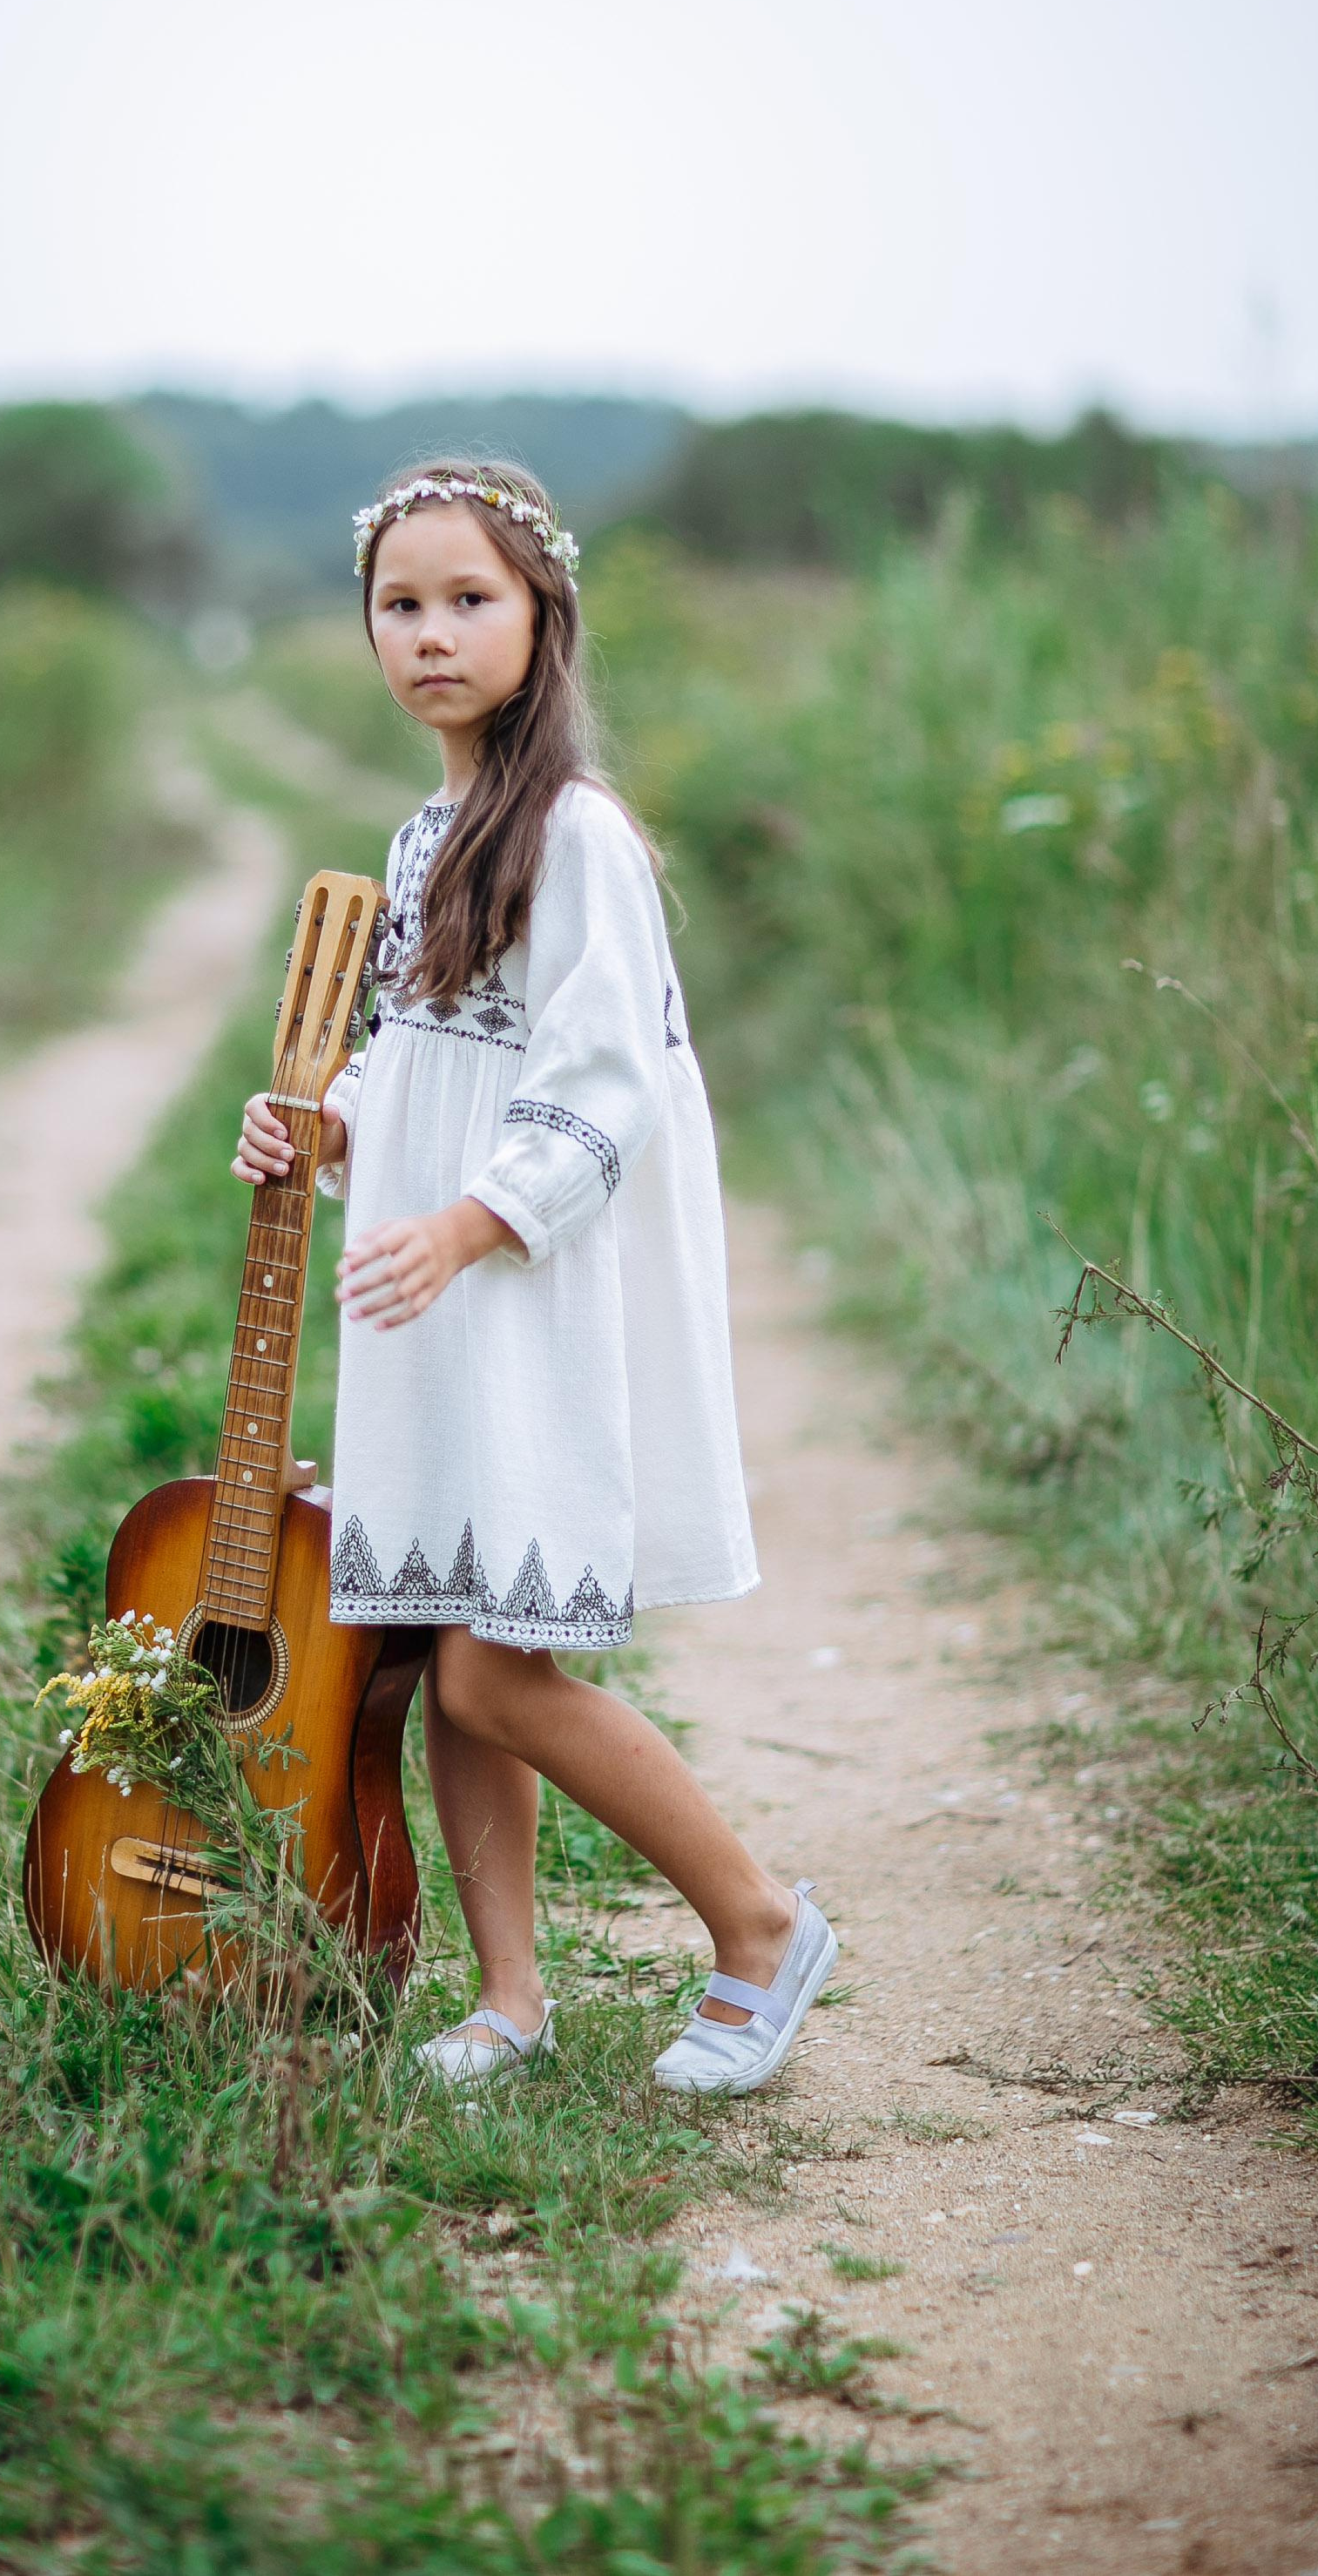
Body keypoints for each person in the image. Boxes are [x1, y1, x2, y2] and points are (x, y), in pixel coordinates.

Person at [232, 461, 833, 2094]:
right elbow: (423, 1056)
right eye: (399, 604)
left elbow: (607, 1078)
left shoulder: (578, 835)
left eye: (468, 600)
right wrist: (326, 1126)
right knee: (447, 1628)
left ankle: (760, 1923)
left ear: (540, 616)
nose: (430, 633)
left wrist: (471, 1223)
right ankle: (509, 1998)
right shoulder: (425, 831)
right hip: (434, 1296)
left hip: (521, 1283)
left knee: (498, 1670)